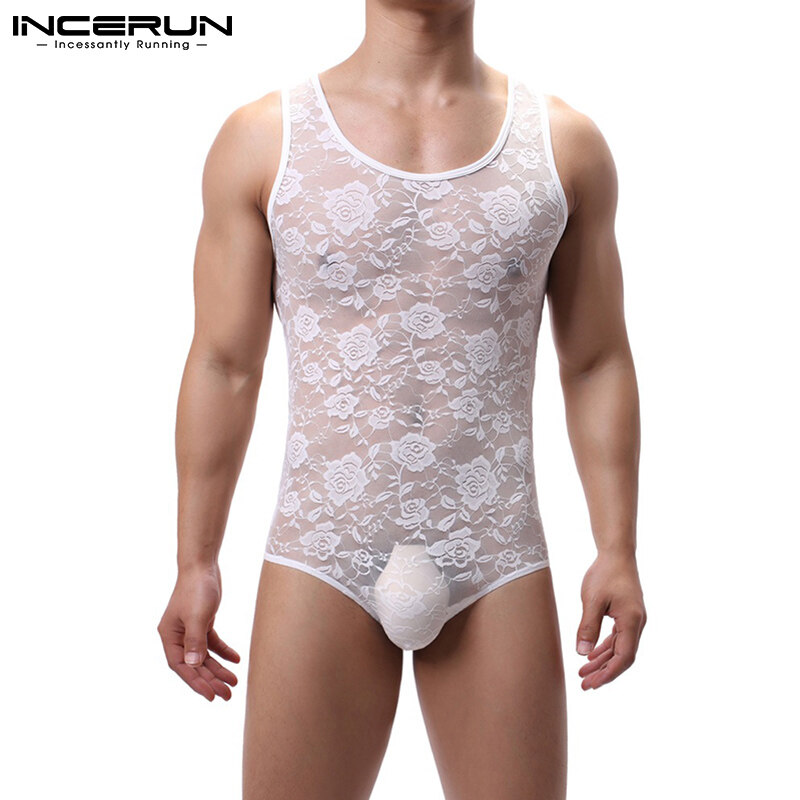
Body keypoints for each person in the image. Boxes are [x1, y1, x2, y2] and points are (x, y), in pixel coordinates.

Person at [157, 1, 646, 797]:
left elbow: (595, 361)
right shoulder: (264, 140)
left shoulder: (563, 145)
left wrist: (617, 548)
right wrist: (195, 560)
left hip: (494, 553)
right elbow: (225, 364)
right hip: (322, 551)